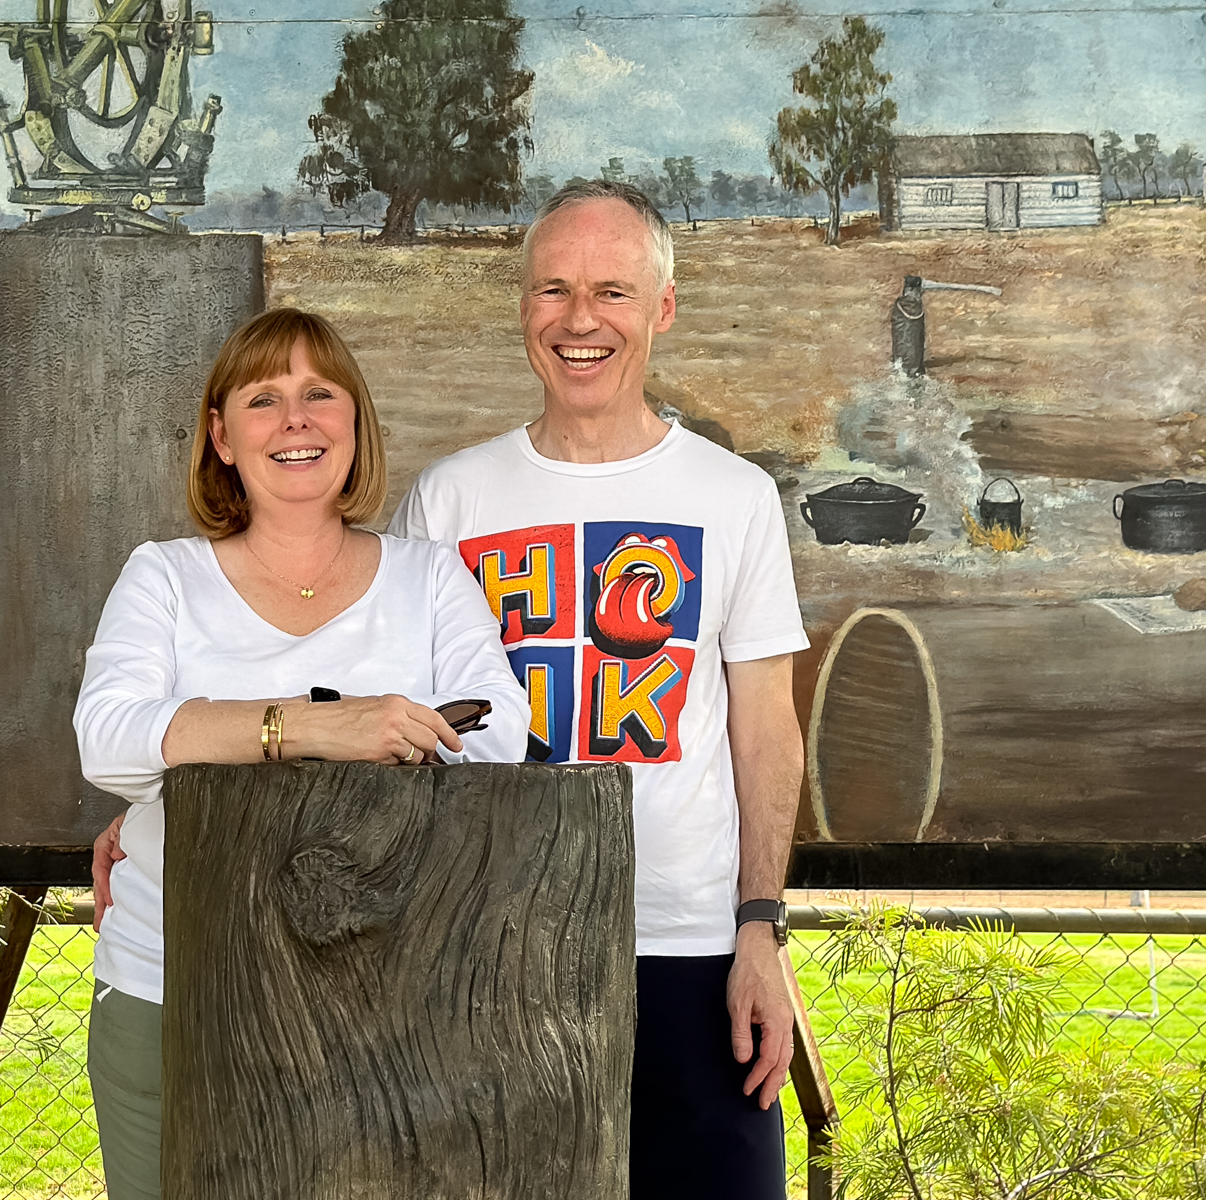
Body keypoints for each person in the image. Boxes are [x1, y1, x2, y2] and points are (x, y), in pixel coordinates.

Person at [389, 180, 809, 1198]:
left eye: (613, 292)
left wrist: (760, 927)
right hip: (494, 949)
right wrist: (155, 809)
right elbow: (384, 716)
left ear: (661, 309)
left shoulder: (734, 498)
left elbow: (766, 731)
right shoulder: (450, 497)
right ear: (524, 307)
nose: (581, 321)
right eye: (555, 290)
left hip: (690, 951)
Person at [72, 307, 530, 1199]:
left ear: (355, 424)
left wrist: (207, 741)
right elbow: (111, 738)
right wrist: (318, 726)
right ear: (221, 435)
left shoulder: (428, 576)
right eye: (264, 399)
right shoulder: (163, 576)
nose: (296, 421)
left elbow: (496, 736)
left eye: (321, 395)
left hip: (394, 995)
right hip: (176, 993)